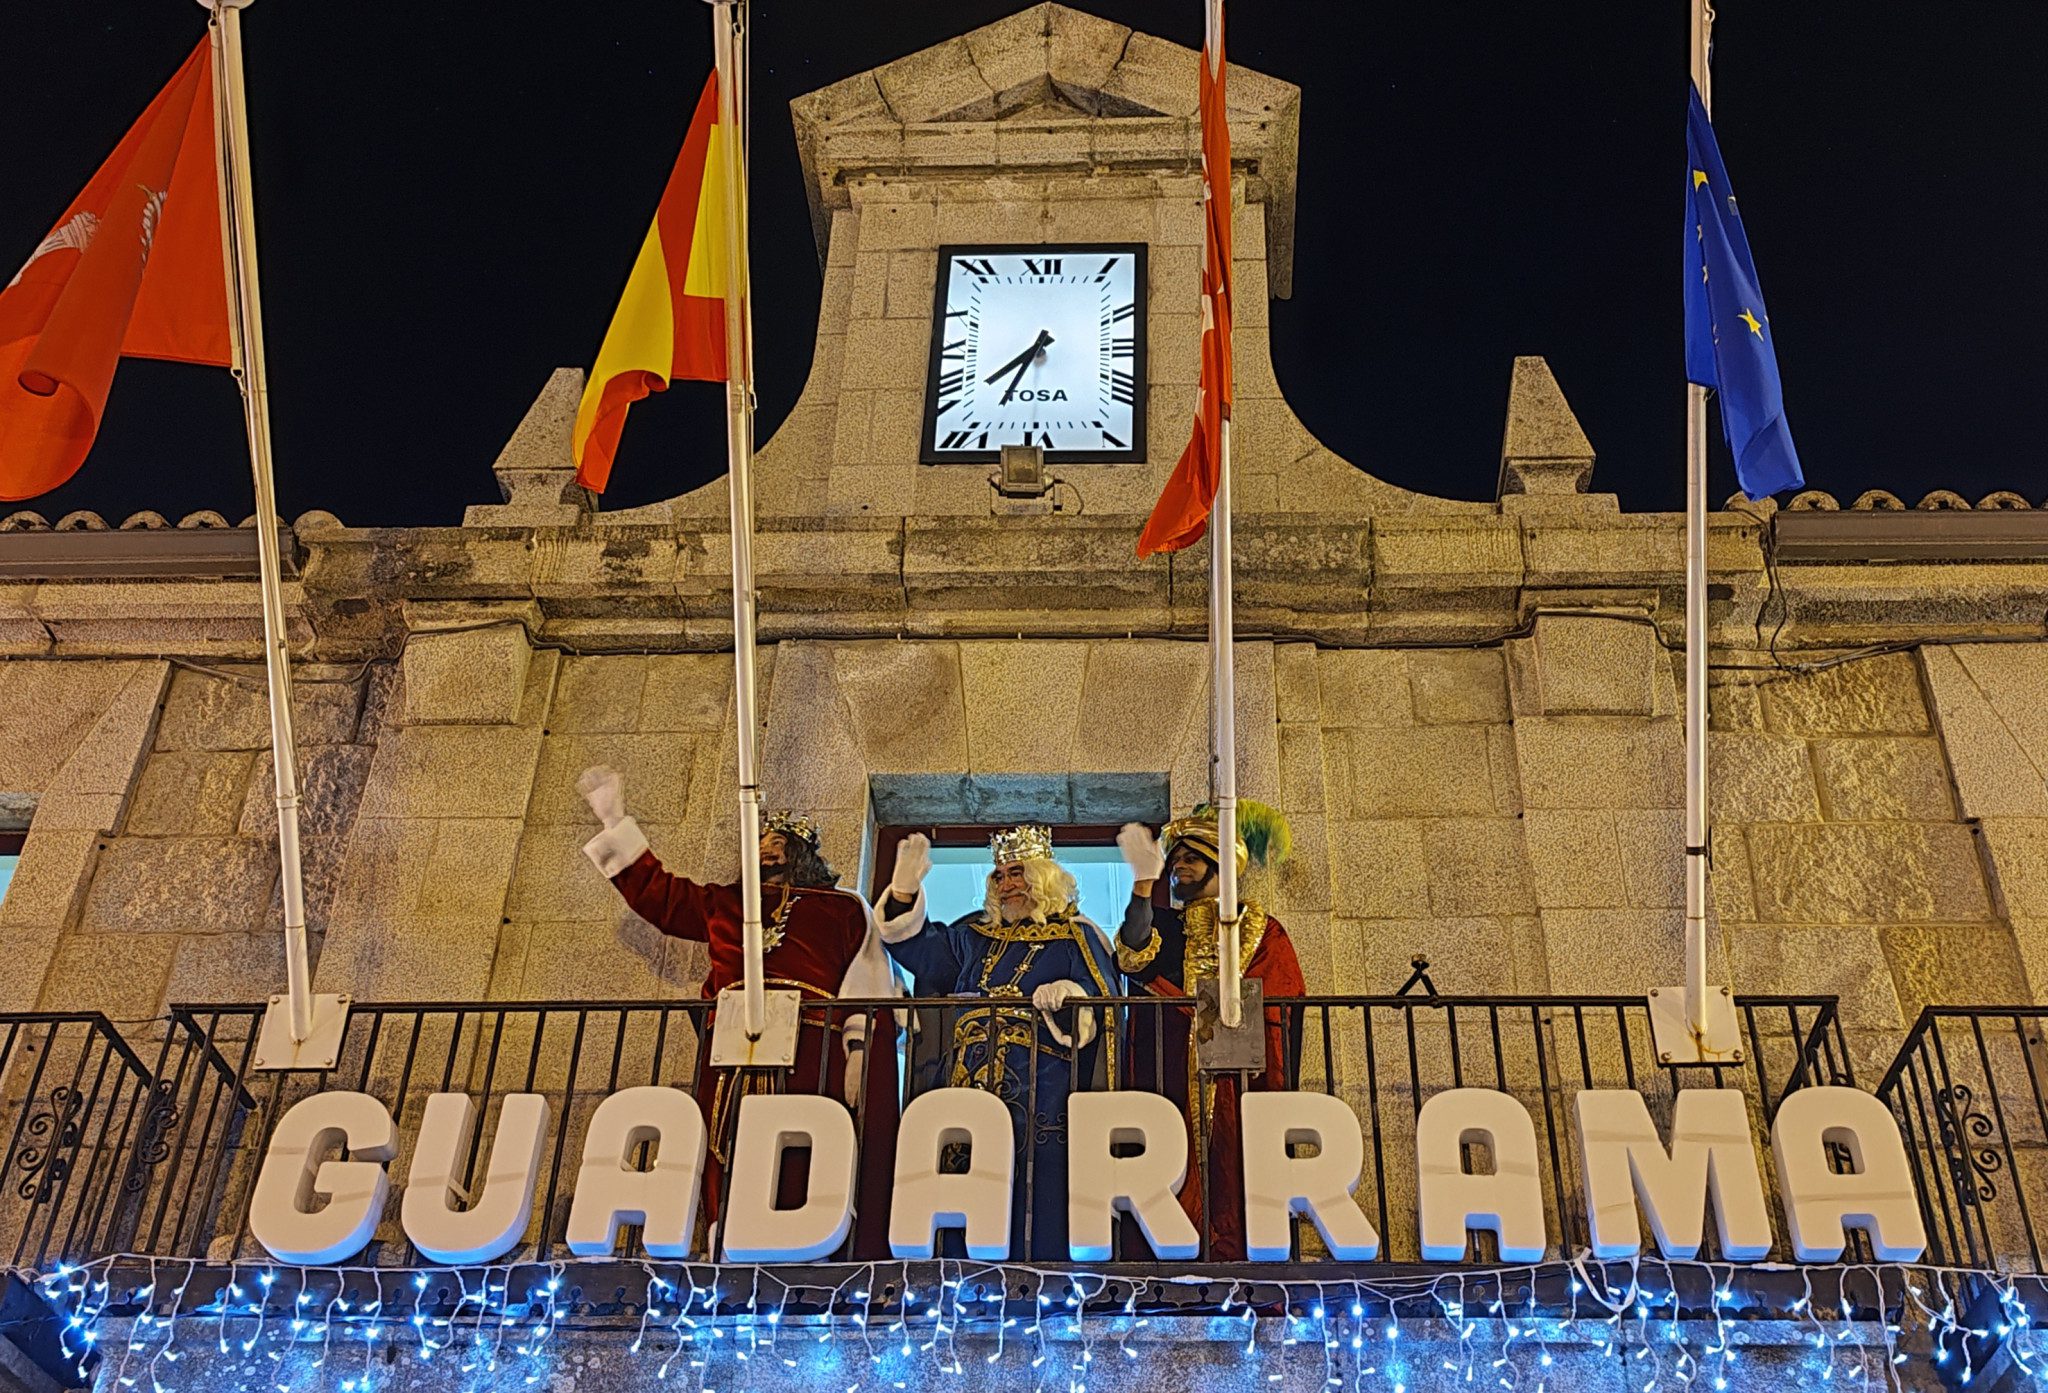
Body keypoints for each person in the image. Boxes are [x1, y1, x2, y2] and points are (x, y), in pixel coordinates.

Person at [577, 765, 899, 1253]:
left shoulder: (842, 907)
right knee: (723, 1136)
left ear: (802, 854)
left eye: (780, 843)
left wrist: (858, 1049)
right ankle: (726, 1239)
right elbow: (662, 897)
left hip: (811, 1041)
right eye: (762, 841)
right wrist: (615, 822)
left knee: (805, 1143)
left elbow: (868, 979)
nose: (768, 849)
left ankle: (809, 1239)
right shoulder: (726, 903)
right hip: (730, 1043)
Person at [875, 824, 1121, 1260]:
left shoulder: (1075, 936)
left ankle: (1043, 1271)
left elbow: (1100, 1004)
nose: (1006, 885)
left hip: (1042, 1080)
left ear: (1043, 877)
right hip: (968, 1076)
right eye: (999, 876)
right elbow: (924, 954)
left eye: (1017, 873)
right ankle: (961, 1271)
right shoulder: (972, 936)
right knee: (966, 1170)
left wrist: (1071, 993)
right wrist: (903, 891)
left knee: (1039, 1174)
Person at [1114, 801, 1305, 1261]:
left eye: (1191, 859)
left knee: (1236, 1171)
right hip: (1168, 1078)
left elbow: (1284, 1001)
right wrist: (1143, 883)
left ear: (1221, 865)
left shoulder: (1263, 930)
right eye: (1174, 860)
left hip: (1236, 1084)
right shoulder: (1163, 923)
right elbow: (1134, 949)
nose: (1178, 867)